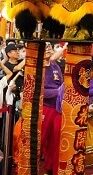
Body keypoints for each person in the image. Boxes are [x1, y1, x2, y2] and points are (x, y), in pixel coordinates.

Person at [40, 42, 64, 175]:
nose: (48, 49)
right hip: (44, 107)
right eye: (45, 47)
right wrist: (58, 92)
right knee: (41, 139)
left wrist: (61, 91)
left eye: (49, 47)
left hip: (57, 108)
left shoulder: (55, 65)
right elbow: (40, 91)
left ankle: (51, 168)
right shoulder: (38, 68)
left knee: (56, 140)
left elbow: (61, 84)